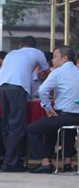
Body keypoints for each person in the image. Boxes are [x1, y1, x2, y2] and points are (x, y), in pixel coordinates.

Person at [0, 36, 49, 172]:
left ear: (20, 45)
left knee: (7, 124)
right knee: (17, 125)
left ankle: (9, 159)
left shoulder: (11, 53)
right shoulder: (37, 53)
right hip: (17, 87)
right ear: (34, 46)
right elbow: (46, 71)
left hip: (1, 86)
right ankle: (11, 163)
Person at [27, 46, 79, 174]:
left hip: (63, 115)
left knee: (32, 129)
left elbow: (42, 90)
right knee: (68, 129)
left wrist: (47, 108)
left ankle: (45, 162)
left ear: (65, 58)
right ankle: (67, 163)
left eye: (55, 57)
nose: (52, 61)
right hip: (76, 116)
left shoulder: (58, 72)